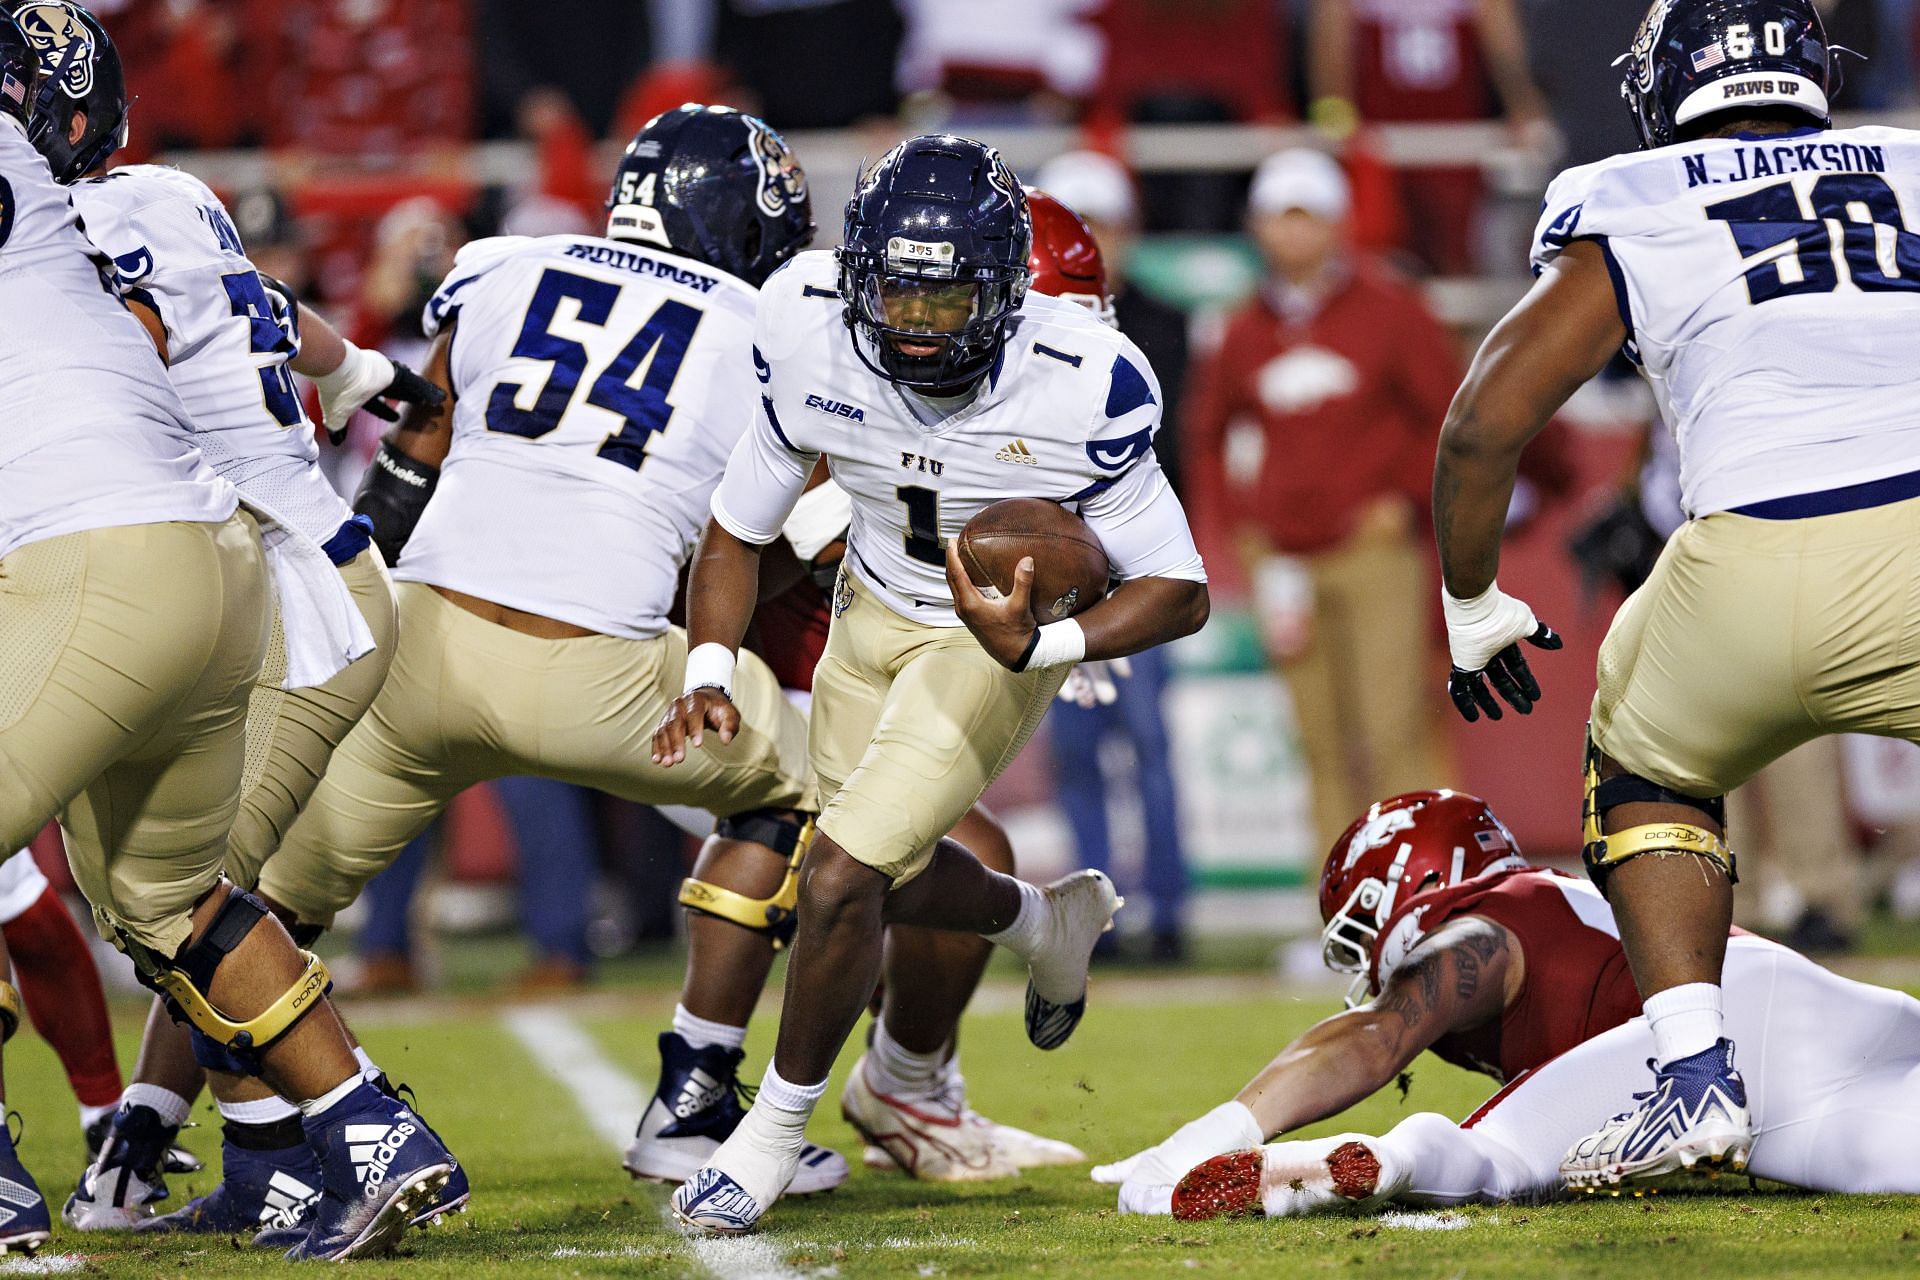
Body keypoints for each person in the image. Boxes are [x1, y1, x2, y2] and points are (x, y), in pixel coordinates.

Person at [261, 108, 832, 1210]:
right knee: (821, 793)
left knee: (246, 915)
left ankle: (134, 1145)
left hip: (418, 647)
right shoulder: (757, 321)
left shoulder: (503, 265)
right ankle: (698, 1097)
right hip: (602, 673)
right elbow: (788, 531)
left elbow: (415, 439)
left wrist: (345, 617)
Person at [652, 133, 1209, 1235]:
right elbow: (734, 526)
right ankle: (1044, 922)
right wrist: (709, 663)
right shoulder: (808, 332)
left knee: (840, 873)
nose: (913, 320)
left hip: (982, 640)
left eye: (945, 298)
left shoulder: (1081, 377)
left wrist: (1045, 648)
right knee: (887, 876)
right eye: (895, 290)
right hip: (866, 609)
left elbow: (1180, 587)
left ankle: (766, 1132)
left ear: (1006, 292)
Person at [1431, 0, 1920, 1191]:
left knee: (1646, 764)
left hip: (1749, 557)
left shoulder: (1639, 194)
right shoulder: (1908, 159)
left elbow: (1483, 425)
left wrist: (1471, 598)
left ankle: (1695, 1077)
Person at [0, 7, 454, 1260]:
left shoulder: (67, 223)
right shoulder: (171, 197)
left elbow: (130, 350)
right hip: (259, 557)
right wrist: (359, 369)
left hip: (251, 571)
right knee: (154, 894)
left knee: (175, 899)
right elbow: (254, 308)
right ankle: (293, 1150)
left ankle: (215, 1139)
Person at [1096, 790, 1920, 1217]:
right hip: (1822, 1031)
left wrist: (1211, 1135)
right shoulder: (1548, 902)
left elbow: (1379, 1038)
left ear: (1411, 884)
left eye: (1363, 932)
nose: (1369, 962)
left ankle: (1378, 1163)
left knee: (1497, 1155)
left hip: (1704, 1045)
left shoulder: (1490, 927)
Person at [1184, 147, 1459, 855]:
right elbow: (1207, 436)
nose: (1294, 234)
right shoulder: (1240, 330)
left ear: (1338, 224)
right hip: (1284, 561)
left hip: (1374, 551)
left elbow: (1449, 416)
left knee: (1394, 727)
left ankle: (1424, 887)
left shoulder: (1394, 310)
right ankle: (1342, 905)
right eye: (1281, 218)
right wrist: (1236, 533)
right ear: (1258, 227)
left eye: (1307, 217)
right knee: (1317, 739)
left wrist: (1402, 499)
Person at [1022, 183, 1191, 960]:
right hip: (1054, 582)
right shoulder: (1007, 344)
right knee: (1079, 757)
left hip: (1132, 566)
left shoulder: (1155, 327)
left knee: (1149, 748)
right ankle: (1100, 914)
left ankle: (1168, 912)